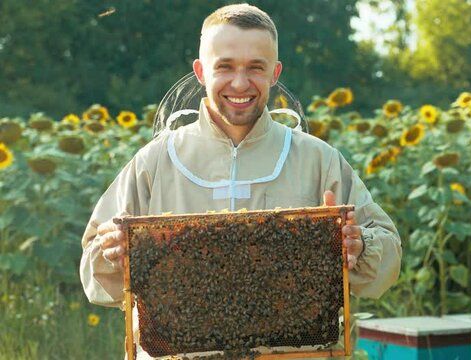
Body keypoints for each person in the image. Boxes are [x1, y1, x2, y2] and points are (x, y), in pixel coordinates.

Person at [79, 3, 401, 358]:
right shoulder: (154, 161)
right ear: (201, 72)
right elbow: (94, 274)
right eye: (225, 67)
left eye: (255, 68)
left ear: (275, 73)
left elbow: (387, 257)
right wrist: (112, 253)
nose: (240, 83)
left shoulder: (318, 159)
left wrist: (360, 246)